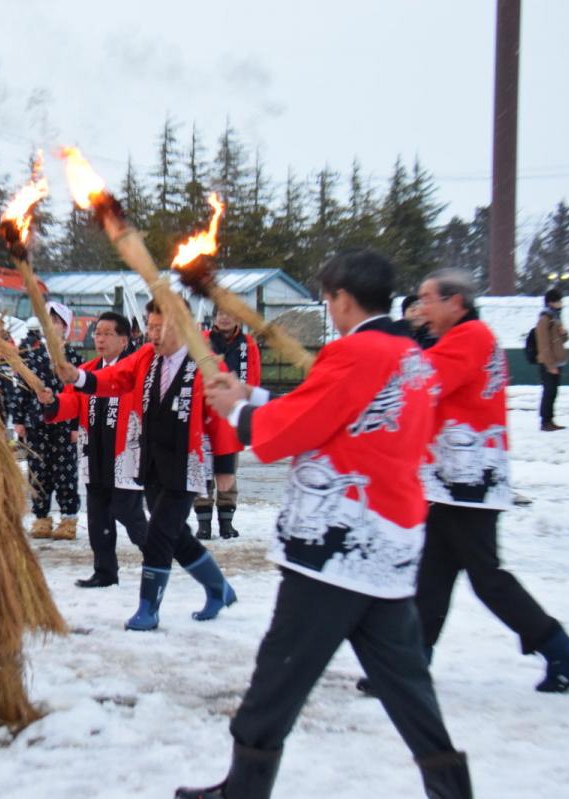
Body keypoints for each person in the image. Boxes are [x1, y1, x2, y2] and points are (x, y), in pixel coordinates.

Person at [184, 250, 471, 799]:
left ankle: (243, 789)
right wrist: (252, 397)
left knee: (279, 671)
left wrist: (236, 413)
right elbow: (337, 411)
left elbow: (295, 430)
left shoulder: (358, 351)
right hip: (388, 543)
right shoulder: (409, 354)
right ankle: (451, 788)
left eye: (328, 298)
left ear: (341, 298)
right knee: (405, 681)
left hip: (338, 543)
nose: (328, 308)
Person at [413, 268, 569, 693]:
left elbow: (421, 381)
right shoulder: (462, 337)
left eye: (427, 299)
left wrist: (394, 340)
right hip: (453, 478)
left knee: (485, 577)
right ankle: (409, 664)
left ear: (456, 302)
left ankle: (559, 645)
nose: (421, 308)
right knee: (432, 576)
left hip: (467, 478)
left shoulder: (469, 337)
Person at [56, 299, 238, 631]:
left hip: (187, 460)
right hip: (152, 458)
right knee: (175, 533)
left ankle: (147, 609)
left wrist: (226, 465)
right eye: (150, 327)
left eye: (160, 328)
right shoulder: (146, 357)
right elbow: (116, 378)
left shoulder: (207, 363)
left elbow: (222, 416)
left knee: (159, 534)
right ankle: (218, 588)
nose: (153, 335)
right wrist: (81, 378)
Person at [37, 312, 148, 588]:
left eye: (107, 333)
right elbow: (72, 403)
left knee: (127, 510)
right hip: (94, 449)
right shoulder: (87, 369)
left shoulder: (135, 369)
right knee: (98, 514)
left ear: (124, 340)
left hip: (124, 450)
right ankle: (105, 570)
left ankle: (155, 554)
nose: (100, 338)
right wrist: (52, 403)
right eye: (98, 333)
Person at [13, 302, 84, 540]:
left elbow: (80, 394)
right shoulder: (32, 355)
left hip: (64, 423)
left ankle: (68, 517)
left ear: (65, 326)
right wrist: (19, 418)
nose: (51, 326)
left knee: (65, 470)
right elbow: (22, 388)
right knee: (37, 470)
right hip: (36, 421)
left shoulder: (74, 357)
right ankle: (41, 517)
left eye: (56, 322)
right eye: (48, 321)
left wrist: (76, 425)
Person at [195, 310, 262, 540]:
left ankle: (226, 520)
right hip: (206, 408)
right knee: (202, 467)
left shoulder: (248, 344)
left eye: (229, 314)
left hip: (233, 411)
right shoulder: (203, 339)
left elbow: (253, 376)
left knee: (229, 469)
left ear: (238, 318)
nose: (225, 318)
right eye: (220, 314)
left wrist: (248, 408)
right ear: (213, 318)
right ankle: (203, 521)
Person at [534, 287, 569, 432]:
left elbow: (562, 339)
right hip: (549, 362)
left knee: (553, 391)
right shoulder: (545, 319)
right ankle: (545, 420)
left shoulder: (556, 318)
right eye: (558, 301)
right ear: (551, 303)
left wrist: (564, 333)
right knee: (549, 391)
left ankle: (550, 419)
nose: (561, 304)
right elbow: (543, 344)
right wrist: (549, 364)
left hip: (556, 360)